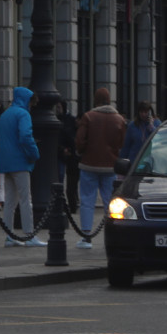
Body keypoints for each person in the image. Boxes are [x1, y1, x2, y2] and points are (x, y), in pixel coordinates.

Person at [74, 89, 126, 247]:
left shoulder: (89, 117)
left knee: (87, 201)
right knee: (109, 202)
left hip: (89, 164)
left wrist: (81, 151)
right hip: (110, 166)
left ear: (95, 100)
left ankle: (86, 236)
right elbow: (121, 143)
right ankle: (113, 236)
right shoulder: (119, 119)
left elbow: (80, 141)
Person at [0, 86, 41, 247]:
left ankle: (10, 236)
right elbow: (25, 136)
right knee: (25, 199)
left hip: (5, 162)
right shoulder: (23, 114)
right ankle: (29, 235)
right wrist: (34, 153)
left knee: (10, 201)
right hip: (20, 161)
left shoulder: (5, 114)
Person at [57, 100, 79, 207]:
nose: (58, 110)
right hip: (62, 151)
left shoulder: (70, 120)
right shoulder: (58, 119)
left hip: (70, 152)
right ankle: (60, 196)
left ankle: (73, 197)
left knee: (71, 179)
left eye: (59, 107)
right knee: (60, 175)